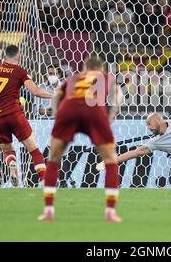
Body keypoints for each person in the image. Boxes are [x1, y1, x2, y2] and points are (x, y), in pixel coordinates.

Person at [39, 56, 122, 222]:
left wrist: (57, 116)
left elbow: (56, 98)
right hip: (94, 110)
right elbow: (117, 97)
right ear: (100, 68)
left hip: (68, 110)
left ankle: (48, 210)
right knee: (111, 160)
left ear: (85, 68)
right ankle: (110, 212)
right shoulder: (106, 76)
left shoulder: (74, 78)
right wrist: (111, 116)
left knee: (54, 158)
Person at [0, 44, 53, 186]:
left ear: (4, 56)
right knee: (34, 149)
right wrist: (55, 95)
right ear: (19, 56)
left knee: (7, 150)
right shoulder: (19, 71)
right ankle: (46, 182)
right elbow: (36, 91)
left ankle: (13, 166)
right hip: (14, 114)